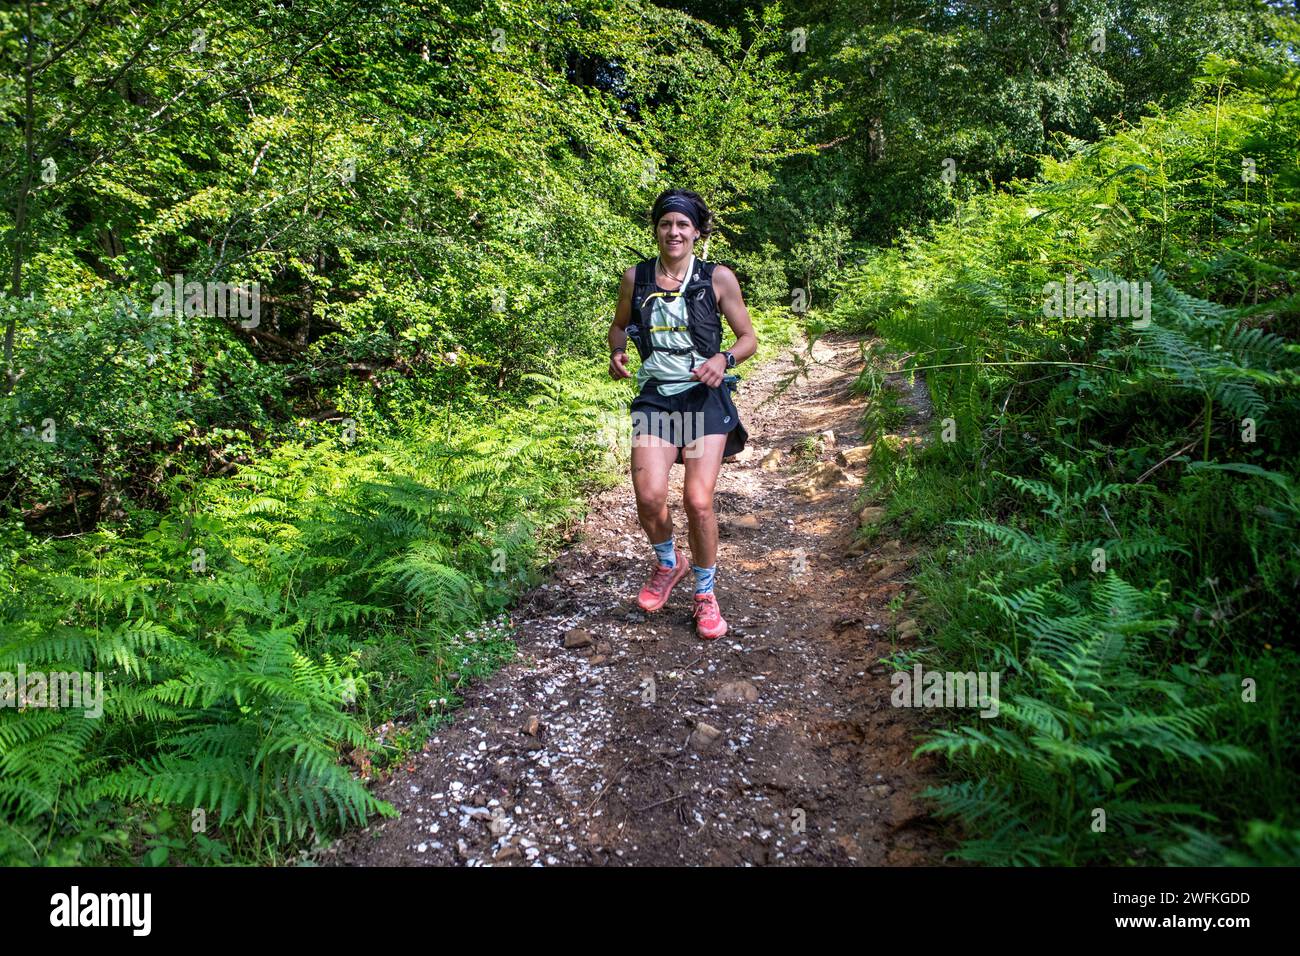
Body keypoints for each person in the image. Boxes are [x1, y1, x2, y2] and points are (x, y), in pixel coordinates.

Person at [607, 189, 757, 640]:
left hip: (702, 401)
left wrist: (724, 360)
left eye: (682, 225)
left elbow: (748, 338)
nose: (674, 232)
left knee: (697, 501)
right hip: (656, 399)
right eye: (666, 223)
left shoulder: (718, 278)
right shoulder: (636, 278)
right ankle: (670, 565)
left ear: (696, 231)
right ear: (656, 229)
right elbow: (618, 325)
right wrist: (617, 352)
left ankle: (706, 594)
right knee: (650, 495)